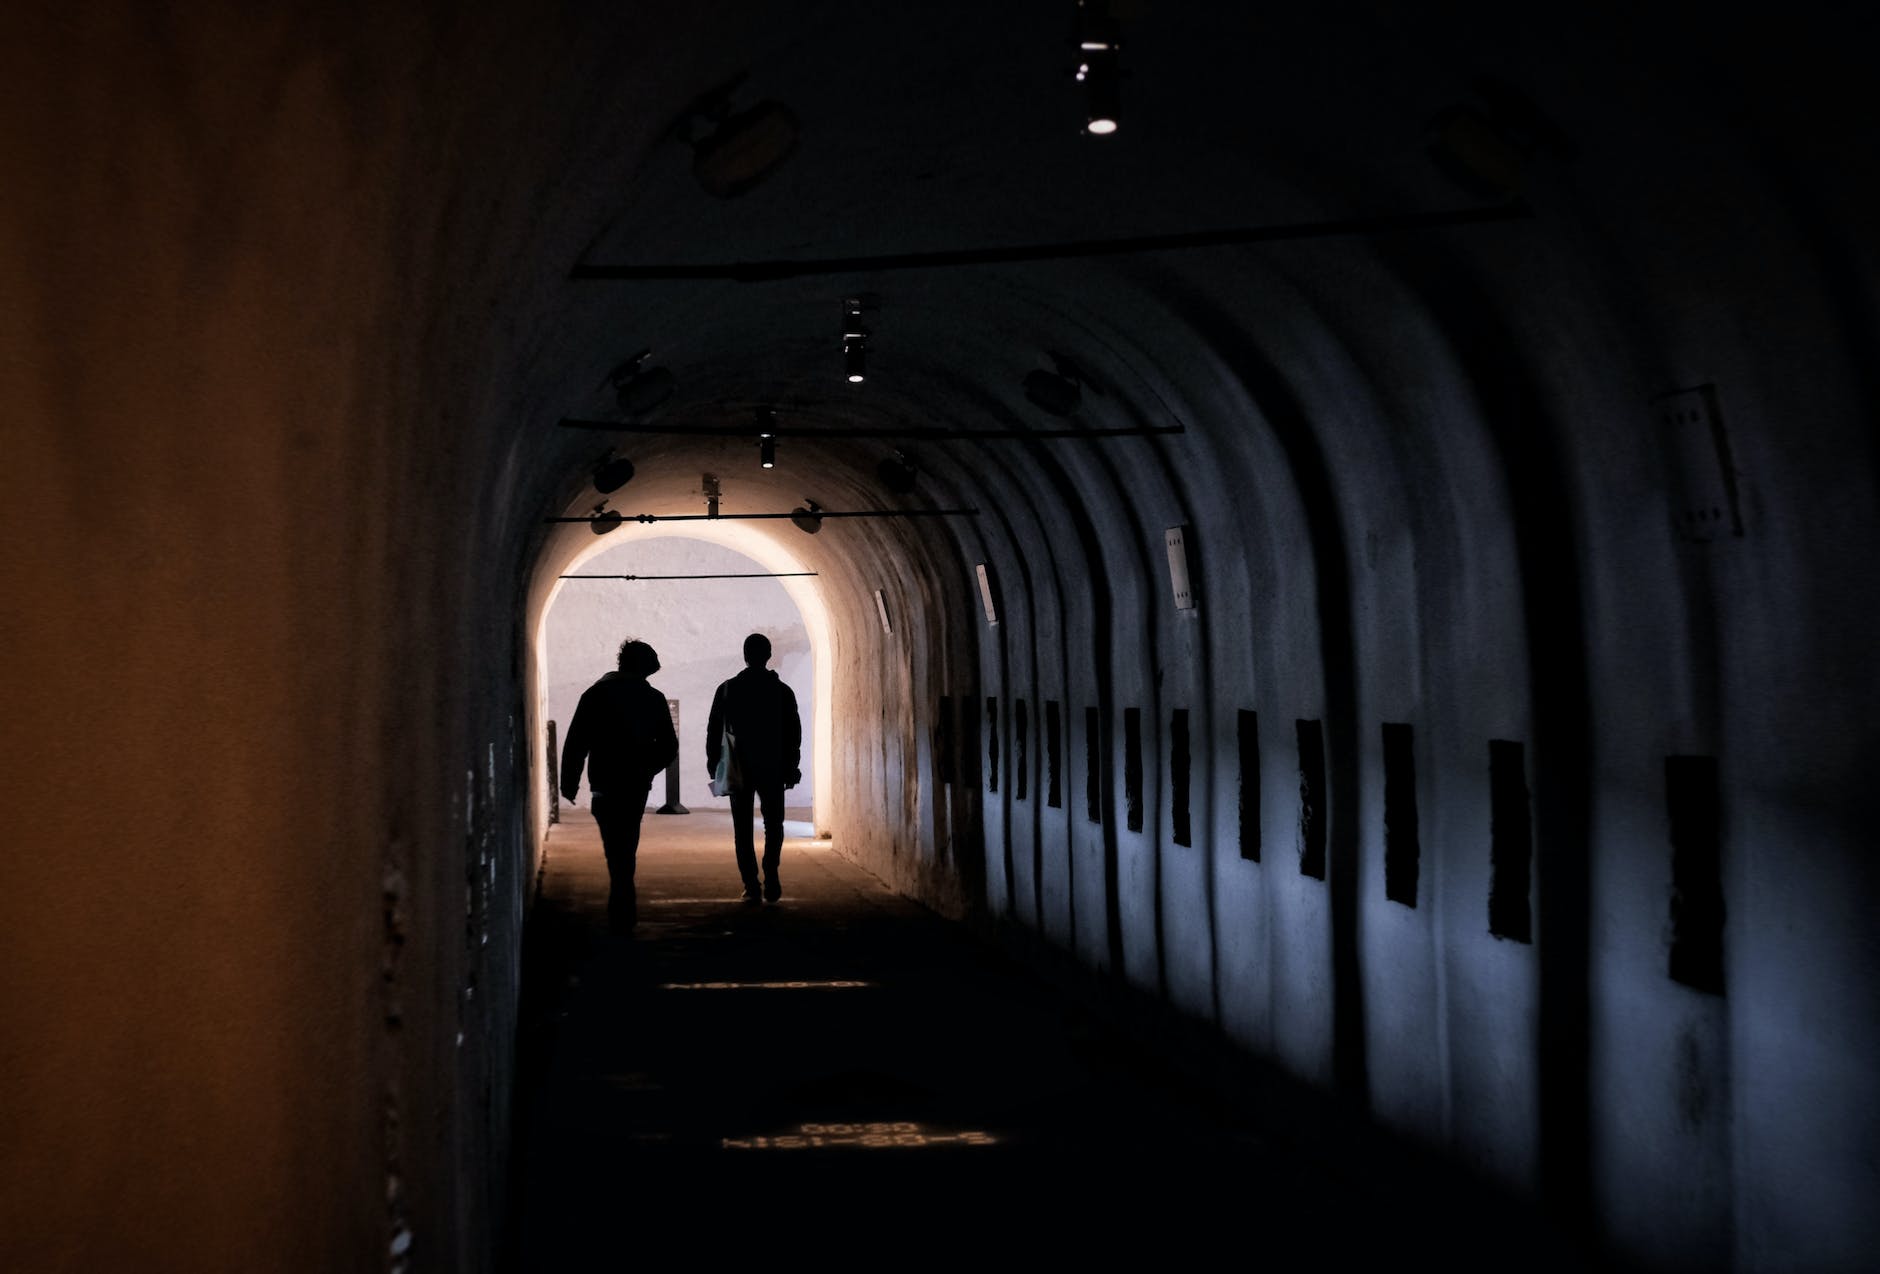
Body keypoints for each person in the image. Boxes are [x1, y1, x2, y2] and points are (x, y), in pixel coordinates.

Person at [560, 638, 678, 932]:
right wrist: (647, 769)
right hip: (635, 784)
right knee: (628, 840)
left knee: (614, 845)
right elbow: (668, 746)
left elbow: (577, 742)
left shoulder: (595, 694)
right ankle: (623, 897)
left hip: (604, 783)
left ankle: (621, 895)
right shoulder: (653, 698)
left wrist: (569, 783)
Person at [705, 633, 802, 904]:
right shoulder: (782, 692)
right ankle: (771, 874)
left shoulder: (727, 689)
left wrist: (714, 765)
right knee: (774, 824)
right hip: (772, 766)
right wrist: (792, 766)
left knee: (742, 828)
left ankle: (751, 884)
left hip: (739, 767)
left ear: (745, 656)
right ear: (768, 655)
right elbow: (793, 733)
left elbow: (714, 730)